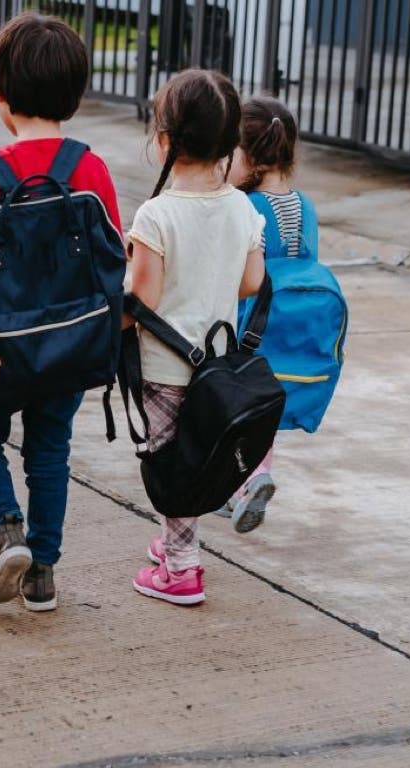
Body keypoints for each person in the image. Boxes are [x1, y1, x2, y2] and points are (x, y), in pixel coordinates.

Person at [0, 13, 123, 612]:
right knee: (50, 448)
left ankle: (5, 529)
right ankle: (43, 575)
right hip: (71, 345)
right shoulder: (90, 168)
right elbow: (113, 248)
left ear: (2, 98)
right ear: (76, 96)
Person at [127, 69, 265, 605]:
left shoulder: (156, 215)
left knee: (173, 464)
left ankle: (183, 568)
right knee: (196, 456)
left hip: (166, 369)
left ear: (163, 140)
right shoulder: (242, 207)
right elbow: (252, 281)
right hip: (220, 368)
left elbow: (144, 299)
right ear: (231, 144)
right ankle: (173, 542)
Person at [215, 96, 320, 533]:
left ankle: (241, 481)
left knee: (230, 409)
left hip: (246, 325)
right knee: (264, 410)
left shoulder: (245, 207)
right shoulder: (306, 206)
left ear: (249, 156)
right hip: (288, 328)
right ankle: (254, 478)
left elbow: (236, 272)